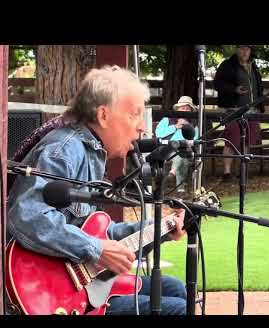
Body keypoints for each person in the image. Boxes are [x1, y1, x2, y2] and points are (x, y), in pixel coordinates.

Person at [7, 66, 188, 315]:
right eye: (134, 115)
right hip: (46, 290)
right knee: (178, 308)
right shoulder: (64, 150)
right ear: (103, 115)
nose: (141, 128)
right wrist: (97, 249)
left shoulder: (91, 152)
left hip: (83, 283)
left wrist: (160, 229)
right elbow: (27, 217)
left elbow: (97, 231)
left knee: (174, 289)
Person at [213, 45, 264, 181]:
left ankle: (242, 171)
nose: (245, 52)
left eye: (247, 49)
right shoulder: (227, 65)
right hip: (232, 109)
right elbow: (217, 84)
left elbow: (258, 88)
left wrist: (260, 106)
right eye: (242, 48)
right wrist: (234, 89)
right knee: (231, 140)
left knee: (247, 141)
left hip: (252, 110)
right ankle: (227, 173)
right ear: (237, 50)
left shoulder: (253, 66)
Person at [155, 96, 199, 192]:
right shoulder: (167, 119)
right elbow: (159, 133)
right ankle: (180, 188)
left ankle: (173, 172)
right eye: (183, 108)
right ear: (178, 109)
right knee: (181, 155)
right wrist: (175, 127)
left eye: (187, 109)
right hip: (167, 148)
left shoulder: (193, 123)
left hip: (186, 150)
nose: (185, 110)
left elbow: (196, 138)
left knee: (182, 153)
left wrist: (189, 140)